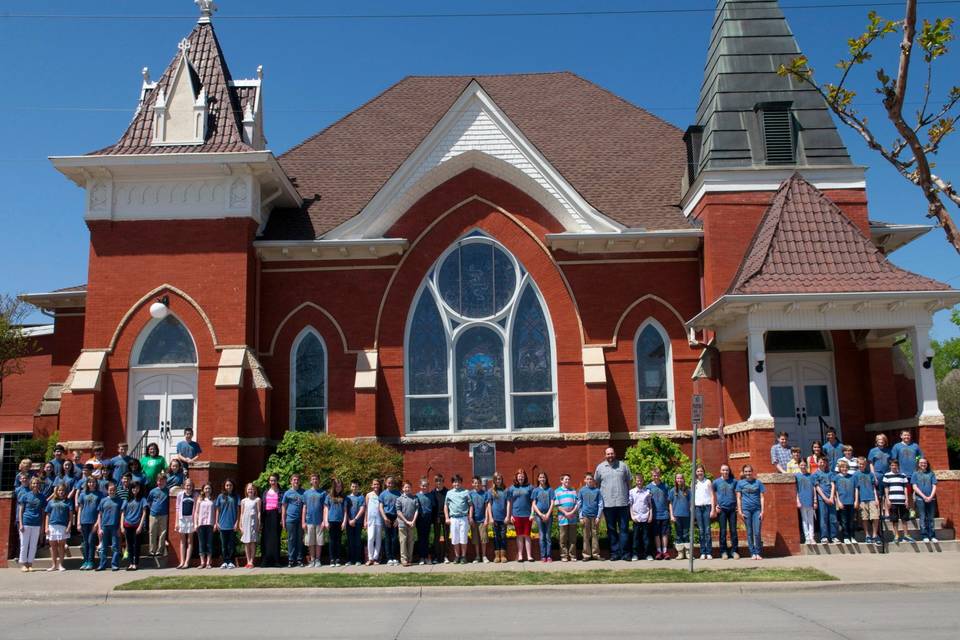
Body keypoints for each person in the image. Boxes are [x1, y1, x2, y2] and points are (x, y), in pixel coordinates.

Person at [594, 447, 632, 561]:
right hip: (608, 504)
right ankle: (615, 553)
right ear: (605, 455)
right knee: (611, 530)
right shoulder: (600, 468)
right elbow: (597, 483)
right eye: (608, 454)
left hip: (622, 503)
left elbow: (629, 482)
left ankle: (625, 554)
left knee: (624, 529)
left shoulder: (623, 466)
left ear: (614, 454)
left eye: (611, 453)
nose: (610, 455)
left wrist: (629, 497)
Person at [736, 464, 766, 560]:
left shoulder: (758, 483)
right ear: (743, 473)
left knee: (757, 532)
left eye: (749, 471)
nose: (748, 473)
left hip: (757, 510)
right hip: (746, 510)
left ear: (752, 472)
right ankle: (752, 552)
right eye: (746, 471)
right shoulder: (740, 483)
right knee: (749, 532)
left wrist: (762, 511)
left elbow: (762, 497)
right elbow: (738, 498)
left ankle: (758, 552)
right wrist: (740, 511)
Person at [505, 468, 534, 562]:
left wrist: (532, 513)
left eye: (522, 475)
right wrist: (510, 516)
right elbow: (509, 502)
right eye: (519, 475)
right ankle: (520, 555)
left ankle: (529, 556)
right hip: (516, 515)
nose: (520, 477)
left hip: (527, 515)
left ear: (524, 477)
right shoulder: (512, 488)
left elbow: (533, 501)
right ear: (516, 477)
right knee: (519, 535)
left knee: (527, 535)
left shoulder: (529, 487)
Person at [76, 476, 103, 570]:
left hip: (93, 521)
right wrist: (78, 522)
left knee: (91, 541)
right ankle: (85, 561)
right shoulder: (83, 494)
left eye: (93, 482)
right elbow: (80, 508)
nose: (91, 484)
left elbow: (100, 511)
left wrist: (97, 523)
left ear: (96, 483)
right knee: (85, 542)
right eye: (90, 482)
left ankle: (91, 561)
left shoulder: (100, 494)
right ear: (87, 483)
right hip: (84, 521)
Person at [883, 459, 912, 544]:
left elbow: (905, 488)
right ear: (890, 466)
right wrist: (887, 499)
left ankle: (906, 535)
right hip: (892, 500)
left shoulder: (903, 475)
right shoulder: (886, 475)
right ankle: (896, 535)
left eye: (895, 465)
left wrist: (906, 499)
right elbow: (886, 488)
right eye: (892, 465)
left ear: (898, 466)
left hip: (902, 500)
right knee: (894, 519)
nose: (894, 467)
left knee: (904, 519)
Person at [44, 483, 72, 571]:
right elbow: (47, 515)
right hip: (52, 525)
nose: (61, 492)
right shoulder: (51, 502)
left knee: (61, 545)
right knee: (53, 546)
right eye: (59, 490)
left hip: (63, 526)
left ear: (65, 491)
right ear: (56, 491)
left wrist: (69, 526)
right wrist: (46, 527)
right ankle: (53, 565)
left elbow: (70, 516)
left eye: (63, 490)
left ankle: (60, 565)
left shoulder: (68, 502)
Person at [444, 474, 471, 564]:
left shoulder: (466, 492)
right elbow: (445, 506)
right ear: (452, 483)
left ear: (461, 482)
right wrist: (447, 517)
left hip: (463, 518)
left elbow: (471, 505)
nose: (457, 484)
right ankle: (457, 556)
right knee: (455, 539)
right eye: (455, 482)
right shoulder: (449, 493)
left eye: (458, 482)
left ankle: (463, 556)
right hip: (453, 519)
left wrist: (470, 516)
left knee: (463, 538)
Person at [713, 464, 738, 559]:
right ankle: (723, 552)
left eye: (727, 470)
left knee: (733, 531)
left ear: (729, 471)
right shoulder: (716, 482)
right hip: (722, 510)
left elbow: (738, 494)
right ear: (720, 471)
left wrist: (738, 506)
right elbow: (712, 494)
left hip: (732, 509)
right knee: (723, 531)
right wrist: (716, 505)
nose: (725, 472)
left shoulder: (734, 482)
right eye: (723, 470)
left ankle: (734, 551)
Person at [96, 482, 122, 571]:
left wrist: (119, 527)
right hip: (104, 526)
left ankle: (114, 564)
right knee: (103, 547)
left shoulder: (119, 500)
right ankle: (102, 565)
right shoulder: (103, 500)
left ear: (116, 490)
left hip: (115, 526)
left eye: (114, 490)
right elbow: (99, 515)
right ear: (107, 490)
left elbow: (121, 515)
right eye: (110, 490)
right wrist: (99, 528)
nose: (112, 491)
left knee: (115, 546)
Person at [121, 481, 147, 570]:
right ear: (130, 489)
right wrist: (121, 526)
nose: (135, 490)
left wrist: (140, 526)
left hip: (137, 525)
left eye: (136, 488)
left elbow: (144, 513)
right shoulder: (127, 500)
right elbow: (123, 513)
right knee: (130, 545)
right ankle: (131, 563)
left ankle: (136, 563)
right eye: (133, 488)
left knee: (136, 545)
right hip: (127, 525)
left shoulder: (142, 499)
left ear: (139, 489)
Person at [576, 473, 603, 561]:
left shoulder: (597, 491)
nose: (589, 480)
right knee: (586, 536)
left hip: (595, 516)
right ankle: (586, 555)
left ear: (593, 480)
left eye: (591, 479)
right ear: (585, 480)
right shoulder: (582, 491)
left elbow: (600, 504)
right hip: (585, 516)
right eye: (587, 479)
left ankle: (595, 554)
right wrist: (580, 517)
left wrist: (599, 516)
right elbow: (579, 504)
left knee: (595, 535)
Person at [854, 456, 880, 545]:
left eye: (863, 464)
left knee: (875, 517)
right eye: (860, 464)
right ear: (857, 464)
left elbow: (873, 488)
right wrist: (856, 500)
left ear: (866, 464)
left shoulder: (870, 474)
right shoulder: (856, 475)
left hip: (872, 498)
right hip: (862, 499)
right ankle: (867, 535)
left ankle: (875, 535)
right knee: (864, 518)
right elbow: (856, 488)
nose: (861, 465)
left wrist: (876, 498)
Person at [281, 473, 305, 568]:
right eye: (294, 480)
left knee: (300, 539)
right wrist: (283, 521)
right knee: (291, 539)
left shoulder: (303, 492)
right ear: (291, 481)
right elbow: (283, 508)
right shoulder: (287, 493)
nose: (296, 481)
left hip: (300, 520)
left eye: (297, 480)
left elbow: (305, 507)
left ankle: (299, 559)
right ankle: (291, 560)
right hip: (290, 519)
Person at [303, 473, 327, 568]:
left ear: (319, 480)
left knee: (319, 542)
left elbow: (325, 507)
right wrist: (303, 522)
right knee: (310, 542)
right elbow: (304, 507)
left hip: (319, 521)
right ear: (310, 481)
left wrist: (324, 521)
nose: (315, 480)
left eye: (316, 479)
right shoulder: (306, 493)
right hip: (309, 521)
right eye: (313, 479)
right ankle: (312, 560)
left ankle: (317, 560)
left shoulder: (323, 493)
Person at [214, 479, 239, 568]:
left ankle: (231, 562)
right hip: (222, 524)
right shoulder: (220, 496)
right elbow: (217, 510)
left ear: (233, 486)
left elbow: (238, 510)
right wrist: (216, 522)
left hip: (232, 524)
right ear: (224, 486)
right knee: (223, 545)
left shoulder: (236, 496)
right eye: (227, 485)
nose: (228, 487)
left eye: (230, 485)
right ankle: (225, 561)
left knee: (231, 545)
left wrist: (237, 522)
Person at [912, 457, 938, 543]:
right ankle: (924, 535)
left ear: (927, 464)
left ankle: (932, 535)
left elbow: (934, 485)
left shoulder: (931, 473)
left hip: (931, 499)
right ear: (918, 464)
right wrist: (924, 496)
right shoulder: (915, 474)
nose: (923, 464)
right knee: (922, 517)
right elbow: (914, 487)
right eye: (921, 463)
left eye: (925, 463)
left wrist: (930, 496)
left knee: (931, 518)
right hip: (920, 499)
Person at [813, 457, 838, 543]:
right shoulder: (815, 474)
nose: (822, 463)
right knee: (823, 518)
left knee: (833, 517)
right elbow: (817, 487)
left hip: (831, 499)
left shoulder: (830, 473)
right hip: (822, 499)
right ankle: (824, 536)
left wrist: (831, 497)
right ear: (817, 463)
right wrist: (824, 498)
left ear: (826, 463)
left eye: (824, 462)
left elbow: (833, 485)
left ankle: (834, 536)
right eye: (820, 462)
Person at [554, 474, 578, 562]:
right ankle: (564, 555)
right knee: (563, 538)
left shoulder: (573, 491)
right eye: (565, 479)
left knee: (572, 538)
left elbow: (577, 504)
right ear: (561, 481)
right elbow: (557, 505)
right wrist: (566, 513)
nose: (567, 481)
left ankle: (572, 555)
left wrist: (571, 512)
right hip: (562, 518)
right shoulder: (557, 491)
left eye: (568, 479)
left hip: (573, 517)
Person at [531, 472, 555, 562]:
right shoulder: (535, 490)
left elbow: (552, 502)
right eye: (540, 477)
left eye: (543, 477)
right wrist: (540, 514)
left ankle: (549, 556)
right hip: (539, 516)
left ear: (546, 479)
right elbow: (533, 503)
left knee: (548, 536)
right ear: (538, 479)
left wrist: (548, 514)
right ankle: (543, 556)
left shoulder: (550, 490)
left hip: (549, 515)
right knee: (541, 536)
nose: (542, 479)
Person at [395, 480, 420, 567]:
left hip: (412, 524)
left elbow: (417, 510)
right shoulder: (399, 499)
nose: (407, 488)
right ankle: (404, 559)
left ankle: (410, 559)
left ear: (411, 488)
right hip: (402, 524)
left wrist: (413, 521)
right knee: (403, 541)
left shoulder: (415, 498)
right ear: (403, 488)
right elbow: (398, 511)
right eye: (405, 487)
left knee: (411, 542)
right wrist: (406, 521)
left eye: (409, 487)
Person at [628, 473, 652, 561]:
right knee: (635, 537)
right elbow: (630, 505)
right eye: (637, 481)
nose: (639, 482)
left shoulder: (647, 491)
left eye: (641, 480)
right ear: (635, 481)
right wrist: (632, 516)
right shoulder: (631, 492)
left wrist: (650, 516)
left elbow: (650, 505)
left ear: (643, 481)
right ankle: (635, 554)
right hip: (636, 518)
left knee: (646, 537)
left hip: (646, 517)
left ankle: (648, 554)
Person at [260, 473, 282, 567]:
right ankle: (265, 561)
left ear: (277, 481)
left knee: (276, 538)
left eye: (274, 480)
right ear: (269, 482)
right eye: (271, 480)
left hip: (276, 516)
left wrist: (282, 519)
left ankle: (276, 561)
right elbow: (261, 507)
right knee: (266, 539)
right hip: (266, 516)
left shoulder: (281, 492)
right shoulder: (265, 492)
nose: (272, 482)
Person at [175, 477, 198, 569]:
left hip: (191, 520)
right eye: (187, 485)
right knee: (182, 541)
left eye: (190, 485)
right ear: (184, 486)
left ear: (192, 486)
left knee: (190, 541)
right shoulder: (180, 494)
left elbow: (196, 509)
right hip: (182, 519)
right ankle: (182, 561)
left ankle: (187, 562)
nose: (188, 487)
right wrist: (176, 522)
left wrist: (195, 522)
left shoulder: (195, 495)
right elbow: (177, 508)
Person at [648, 468, 670, 560]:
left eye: (657, 475)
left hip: (664, 513)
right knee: (656, 534)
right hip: (654, 515)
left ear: (660, 475)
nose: (656, 477)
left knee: (664, 533)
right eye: (654, 475)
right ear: (651, 476)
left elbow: (669, 500)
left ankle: (665, 552)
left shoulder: (665, 486)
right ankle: (658, 551)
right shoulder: (648, 487)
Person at [693, 464, 715, 560]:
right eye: (698, 471)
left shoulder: (708, 482)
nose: (699, 473)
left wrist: (713, 509)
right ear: (696, 473)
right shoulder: (694, 483)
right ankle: (702, 552)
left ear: (704, 472)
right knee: (701, 531)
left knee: (707, 530)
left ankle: (709, 552)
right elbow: (692, 497)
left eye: (701, 471)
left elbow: (712, 496)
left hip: (707, 507)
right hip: (698, 508)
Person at [379, 475, 402, 566]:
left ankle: (394, 557)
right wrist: (385, 518)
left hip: (395, 517)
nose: (390, 484)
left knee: (394, 538)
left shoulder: (398, 493)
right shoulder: (383, 494)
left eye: (392, 482)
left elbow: (401, 507)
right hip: (386, 517)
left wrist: (398, 519)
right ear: (386, 483)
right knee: (388, 538)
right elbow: (380, 507)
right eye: (389, 482)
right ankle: (389, 558)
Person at [668, 473, 691, 561]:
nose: (679, 480)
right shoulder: (672, 491)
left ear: (683, 479)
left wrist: (692, 515)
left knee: (686, 534)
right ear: (675, 480)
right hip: (676, 516)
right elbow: (670, 504)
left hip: (686, 516)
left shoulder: (688, 490)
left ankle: (688, 553)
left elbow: (690, 504)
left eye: (681, 478)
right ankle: (680, 553)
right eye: (677, 478)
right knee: (678, 535)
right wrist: (672, 515)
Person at [833, 460, 857, 544]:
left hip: (851, 502)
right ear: (839, 468)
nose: (844, 469)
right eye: (842, 467)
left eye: (846, 467)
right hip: (842, 502)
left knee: (852, 521)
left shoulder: (852, 477)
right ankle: (846, 537)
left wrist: (856, 500)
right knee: (844, 521)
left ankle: (852, 536)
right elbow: (835, 491)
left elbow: (856, 489)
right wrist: (838, 502)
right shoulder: (837, 477)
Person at [146, 472, 170, 557]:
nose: (160, 482)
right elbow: (148, 501)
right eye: (159, 481)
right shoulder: (153, 491)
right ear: (157, 481)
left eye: (163, 481)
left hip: (164, 514)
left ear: (166, 481)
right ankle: (152, 550)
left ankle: (160, 550)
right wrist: (152, 508)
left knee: (162, 532)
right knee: (152, 532)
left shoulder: (168, 491)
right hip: (153, 514)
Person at [324, 478, 347, 567]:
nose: (338, 488)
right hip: (331, 521)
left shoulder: (344, 497)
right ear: (334, 486)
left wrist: (344, 521)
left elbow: (345, 511)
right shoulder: (329, 496)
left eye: (340, 486)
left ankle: (337, 559)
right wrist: (326, 521)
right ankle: (332, 559)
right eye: (337, 486)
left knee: (338, 541)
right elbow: (326, 509)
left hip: (340, 521)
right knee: (332, 540)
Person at [468, 476, 490, 563]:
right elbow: (470, 507)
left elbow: (486, 507)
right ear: (472, 484)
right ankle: (477, 556)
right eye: (475, 483)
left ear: (480, 484)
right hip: (474, 520)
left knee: (483, 539)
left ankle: (484, 556)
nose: (476, 484)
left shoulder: (485, 493)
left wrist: (486, 519)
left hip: (482, 520)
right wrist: (470, 518)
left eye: (478, 483)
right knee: (475, 539)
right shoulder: (470, 494)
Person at [239, 482, 261, 569]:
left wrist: (259, 524)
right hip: (245, 522)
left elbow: (259, 512)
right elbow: (241, 513)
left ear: (254, 490)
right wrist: (240, 525)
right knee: (246, 542)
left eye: (252, 489)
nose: (250, 490)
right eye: (249, 489)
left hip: (253, 522)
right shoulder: (243, 501)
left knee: (252, 542)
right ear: (246, 490)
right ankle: (248, 561)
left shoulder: (257, 500)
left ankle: (252, 561)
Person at [795, 460, 817, 545]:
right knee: (804, 520)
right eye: (801, 465)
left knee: (811, 520)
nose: (803, 466)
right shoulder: (797, 476)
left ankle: (812, 538)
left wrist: (815, 500)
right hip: (802, 500)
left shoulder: (811, 476)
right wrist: (797, 501)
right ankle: (807, 538)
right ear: (799, 466)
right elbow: (795, 489)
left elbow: (814, 488)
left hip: (810, 500)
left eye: (804, 465)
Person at [415, 477, 435, 565]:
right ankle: (421, 557)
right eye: (423, 486)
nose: (424, 487)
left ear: (428, 486)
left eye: (426, 486)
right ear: (420, 486)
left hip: (428, 518)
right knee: (420, 538)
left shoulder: (431, 496)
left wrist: (433, 519)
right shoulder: (416, 496)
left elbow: (433, 508)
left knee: (427, 538)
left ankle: (427, 557)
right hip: (419, 518)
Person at [346, 480, 366, 566]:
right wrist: (349, 520)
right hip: (349, 522)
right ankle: (351, 560)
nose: (354, 488)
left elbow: (362, 509)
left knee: (357, 541)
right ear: (350, 487)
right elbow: (345, 510)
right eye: (353, 486)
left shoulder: (361, 497)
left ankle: (358, 559)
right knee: (350, 541)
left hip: (358, 522)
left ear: (358, 487)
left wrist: (355, 519)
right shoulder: (347, 498)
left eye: (356, 486)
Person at [430, 474, 449, 564]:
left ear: (443, 481)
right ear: (435, 482)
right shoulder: (432, 493)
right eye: (437, 481)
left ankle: (446, 556)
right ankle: (436, 557)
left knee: (446, 536)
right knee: (436, 538)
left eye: (440, 480)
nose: (439, 482)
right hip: (436, 518)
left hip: (446, 517)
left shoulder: (447, 492)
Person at [196, 482, 215, 569]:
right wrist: (196, 523)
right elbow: (196, 512)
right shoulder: (200, 499)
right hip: (201, 523)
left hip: (210, 523)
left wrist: (215, 523)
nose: (207, 490)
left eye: (209, 488)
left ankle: (208, 562)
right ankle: (202, 562)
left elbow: (215, 512)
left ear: (211, 490)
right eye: (206, 488)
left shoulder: (213, 500)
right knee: (201, 543)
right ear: (203, 490)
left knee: (209, 543)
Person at [364, 478, 383, 566]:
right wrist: (365, 520)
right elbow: (366, 509)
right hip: (370, 520)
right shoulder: (368, 495)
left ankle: (376, 558)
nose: (376, 486)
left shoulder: (382, 495)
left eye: (377, 484)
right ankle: (370, 558)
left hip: (379, 520)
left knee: (378, 539)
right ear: (372, 485)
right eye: (374, 484)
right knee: (370, 538)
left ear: (380, 485)